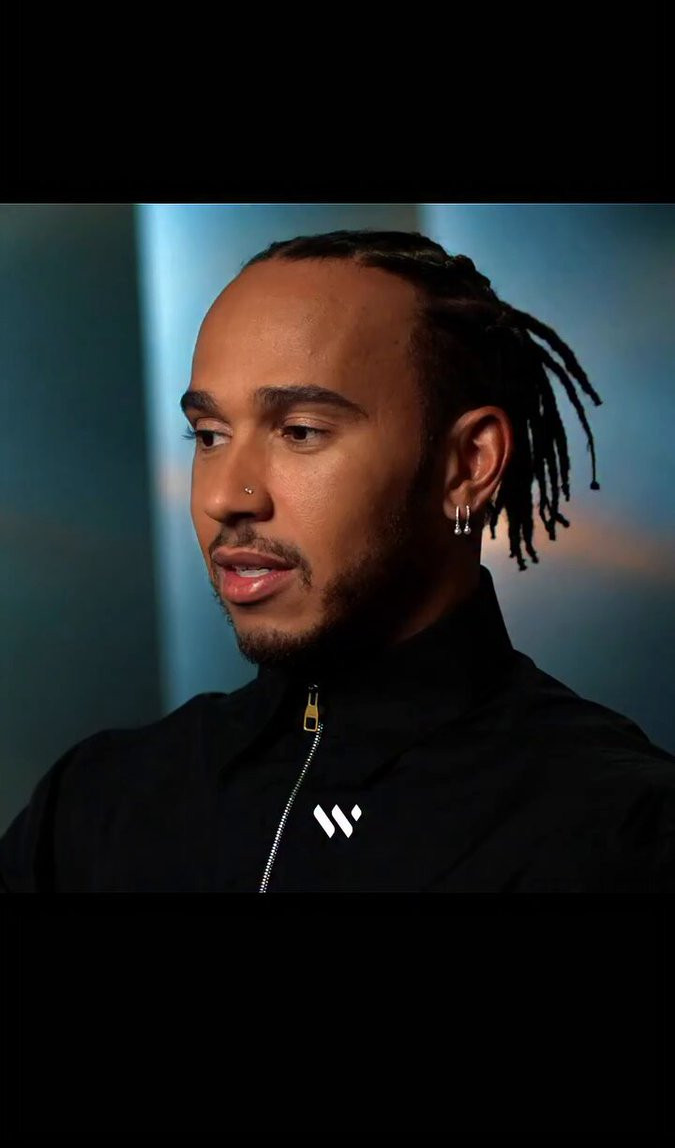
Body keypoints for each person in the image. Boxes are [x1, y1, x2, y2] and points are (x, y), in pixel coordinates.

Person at [2, 228, 674, 892]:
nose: (223, 497)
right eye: (208, 435)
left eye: (300, 431)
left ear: (469, 463)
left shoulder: (616, 830)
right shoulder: (95, 805)